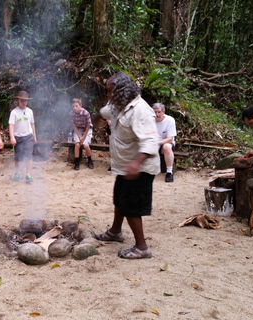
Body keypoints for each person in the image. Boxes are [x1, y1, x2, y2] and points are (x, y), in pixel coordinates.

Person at [95, 72, 160, 259]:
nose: (107, 95)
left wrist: (136, 164)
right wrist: (97, 116)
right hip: (126, 167)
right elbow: (105, 111)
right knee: (119, 199)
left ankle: (142, 247)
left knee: (131, 206)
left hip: (140, 168)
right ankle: (115, 232)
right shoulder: (118, 105)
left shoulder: (141, 111)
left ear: (121, 91)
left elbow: (150, 142)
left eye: (109, 91)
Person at [9, 91, 37, 181]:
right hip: (18, 137)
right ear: (18, 100)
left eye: (25, 100)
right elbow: (11, 125)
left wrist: (35, 137)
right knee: (18, 157)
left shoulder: (30, 111)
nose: (24, 102)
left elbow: (32, 124)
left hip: (28, 136)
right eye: (22, 100)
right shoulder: (14, 112)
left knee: (29, 155)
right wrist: (12, 137)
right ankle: (17, 172)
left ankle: (28, 174)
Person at [152, 102, 176, 182]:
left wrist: (158, 143)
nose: (157, 114)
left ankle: (169, 172)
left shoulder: (170, 120)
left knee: (167, 147)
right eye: (155, 112)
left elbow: (170, 139)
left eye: (159, 112)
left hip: (164, 143)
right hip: (152, 143)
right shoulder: (149, 120)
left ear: (163, 112)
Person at [70, 98, 94, 170]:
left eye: (76, 106)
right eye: (73, 106)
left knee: (85, 146)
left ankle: (90, 160)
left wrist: (83, 137)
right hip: (79, 130)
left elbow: (88, 125)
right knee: (77, 144)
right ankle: (76, 161)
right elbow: (74, 125)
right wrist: (79, 136)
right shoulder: (71, 114)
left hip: (87, 129)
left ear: (80, 105)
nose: (75, 108)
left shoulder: (85, 113)